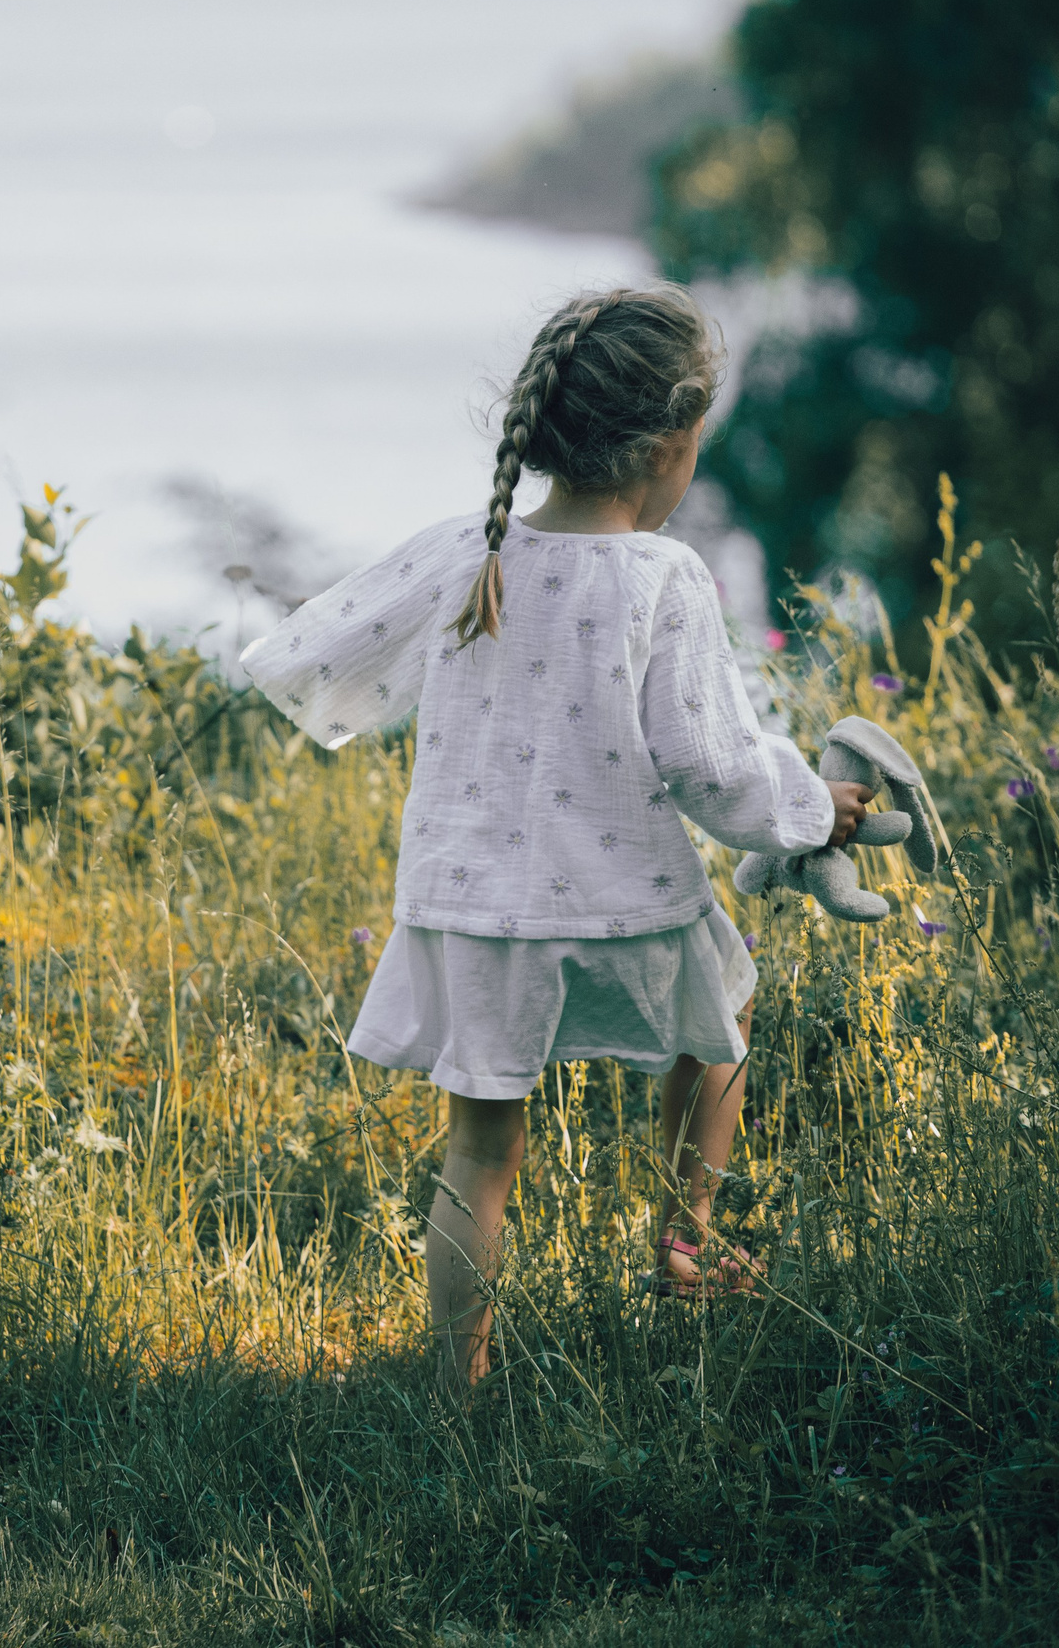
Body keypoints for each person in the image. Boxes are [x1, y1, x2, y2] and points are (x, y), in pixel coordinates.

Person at [239, 284, 871, 1386]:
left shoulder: (464, 551)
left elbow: (312, 658)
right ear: (668, 449)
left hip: (470, 911)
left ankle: (457, 1393)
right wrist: (813, 808)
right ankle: (687, 1241)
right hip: (622, 898)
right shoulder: (661, 577)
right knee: (717, 1012)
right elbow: (712, 766)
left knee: (478, 1157)